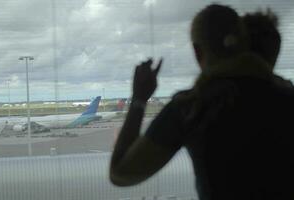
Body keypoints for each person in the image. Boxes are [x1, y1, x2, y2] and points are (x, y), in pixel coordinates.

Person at [110, 4, 294, 200]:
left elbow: (121, 173)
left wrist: (139, 99)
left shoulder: (191, 107)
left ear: (198, 52)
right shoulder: (285, 97)